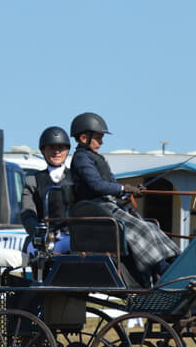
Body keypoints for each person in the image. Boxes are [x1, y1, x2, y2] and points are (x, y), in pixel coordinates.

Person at [69, 111, 180, 282]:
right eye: (98, 138)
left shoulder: (97, 158)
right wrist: (123, 188)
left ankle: (174, 261)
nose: (101, 142)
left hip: (108, 205)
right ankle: (162, 268)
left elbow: (111, 183)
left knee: (151, 226)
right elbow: (96, 185)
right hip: (96, 208)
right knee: (141, 229)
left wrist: (131, 191)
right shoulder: (81, 158)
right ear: (84, 138)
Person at [20, 126, 75, 254]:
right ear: (43, 151)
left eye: (61, 148)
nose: (57, 152)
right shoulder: (32, 181)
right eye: (51, 148)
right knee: (33, 251)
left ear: (67, 150)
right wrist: (39, 232)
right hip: (45, 238)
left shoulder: (77, 178)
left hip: (72, 236)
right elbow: (28, 214)